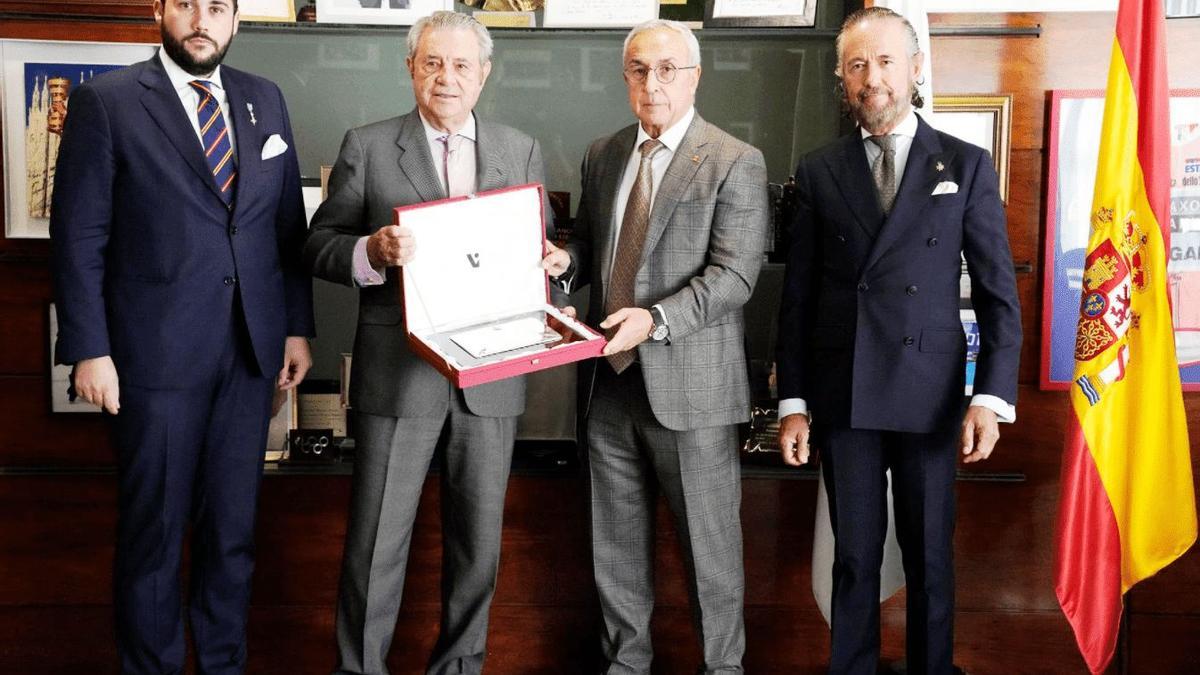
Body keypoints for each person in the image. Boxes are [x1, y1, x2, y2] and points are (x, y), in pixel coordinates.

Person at [49, 0, 314, 672]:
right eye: (186, 4)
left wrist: (297, 330)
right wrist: (88, 346)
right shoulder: (107, 104)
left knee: (232, 536)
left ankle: (223, 664)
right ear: (161, 12)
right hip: (150, 360)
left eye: (217, 7)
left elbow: (286, 229)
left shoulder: (265, 99)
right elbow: (78, 237)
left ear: (234, 20)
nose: (202, 18)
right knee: (155, 538)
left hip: (251, 357)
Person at [774, 7, 1022, 674]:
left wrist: (991, 397)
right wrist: (793, 399)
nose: (871, 77)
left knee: (930, 557)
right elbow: (797, 298)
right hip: (845, 395)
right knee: (853, 556)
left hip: (932, 395)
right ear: (841, 78)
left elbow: (999, 293)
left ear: (915, 70)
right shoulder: (820, 169)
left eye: (885, 61)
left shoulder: (966, 165)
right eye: (857, 65)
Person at [303, 11, 552, 675]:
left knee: (479, 545)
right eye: (433, 63)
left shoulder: (519, 148)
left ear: (484, 74)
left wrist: (554, 262)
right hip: (398, 375)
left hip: (492, 380)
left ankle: (461, 666)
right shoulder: (369, 145)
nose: (447, 77)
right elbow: (319, 244)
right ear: (411, 67)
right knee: (376, 542)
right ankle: (360, 668)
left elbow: (544, 251)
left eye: (461, 65)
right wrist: (372, 250)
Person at [542, 19, 768, 675]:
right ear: (625, 78)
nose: (653, 81)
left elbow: (735, 276)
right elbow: (591, 246)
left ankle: (722, 668)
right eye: (640, 68)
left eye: (668, 68)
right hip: (606, 384)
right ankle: (626, 665)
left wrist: (657, 319)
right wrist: (564, 262)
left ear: (695, 77)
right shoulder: (604, 153)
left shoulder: (733, 160)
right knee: (614, 547)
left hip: (691, 390)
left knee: (710, 552)